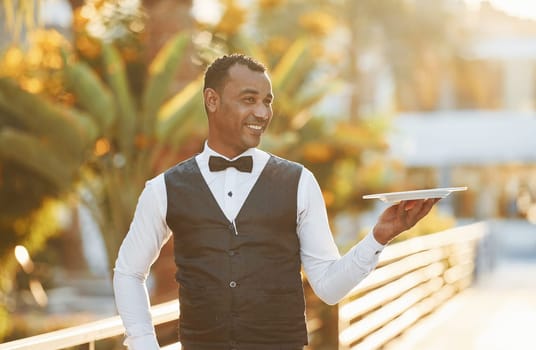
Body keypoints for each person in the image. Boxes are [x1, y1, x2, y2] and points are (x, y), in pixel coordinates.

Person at [113, 53, 439, 350]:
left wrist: (379, 237)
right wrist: (144, 344)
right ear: (212, 100)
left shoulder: (299, 182)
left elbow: (327, 287)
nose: (262, 112)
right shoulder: (164, 189)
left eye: (267, 101)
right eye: (248, 100)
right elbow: (129, 271)